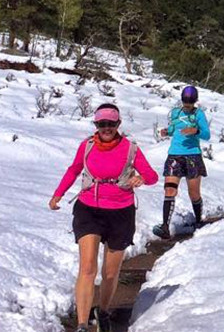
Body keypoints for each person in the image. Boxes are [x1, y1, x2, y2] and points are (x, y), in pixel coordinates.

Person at [49, 104, 158, 332]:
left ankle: (104, 311)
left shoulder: (131, 149)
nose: (106, 128)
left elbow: (152, 175)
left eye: (111, 123)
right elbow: (74, 169)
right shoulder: (87, 146)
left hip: (121, 212)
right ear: (96, 125)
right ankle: (81, 324)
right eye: (101, 124)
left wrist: (141, 179)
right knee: (87, 268)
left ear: (118, 125)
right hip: (88, 209)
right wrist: (58, 194)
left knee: (110, 272)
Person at [153, 86, 211, 239]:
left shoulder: (199, 114)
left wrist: (196, 131)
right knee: (169, 189)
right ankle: (165, 226)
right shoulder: (175, 113)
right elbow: (173, 129)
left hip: (193, 155)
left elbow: (207, 134)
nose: (187, 105)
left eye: (190, 102)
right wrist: (167, 132)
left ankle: (198, 221)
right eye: (185, 101)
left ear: (195, 101)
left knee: (194, 193)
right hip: (175, 155)